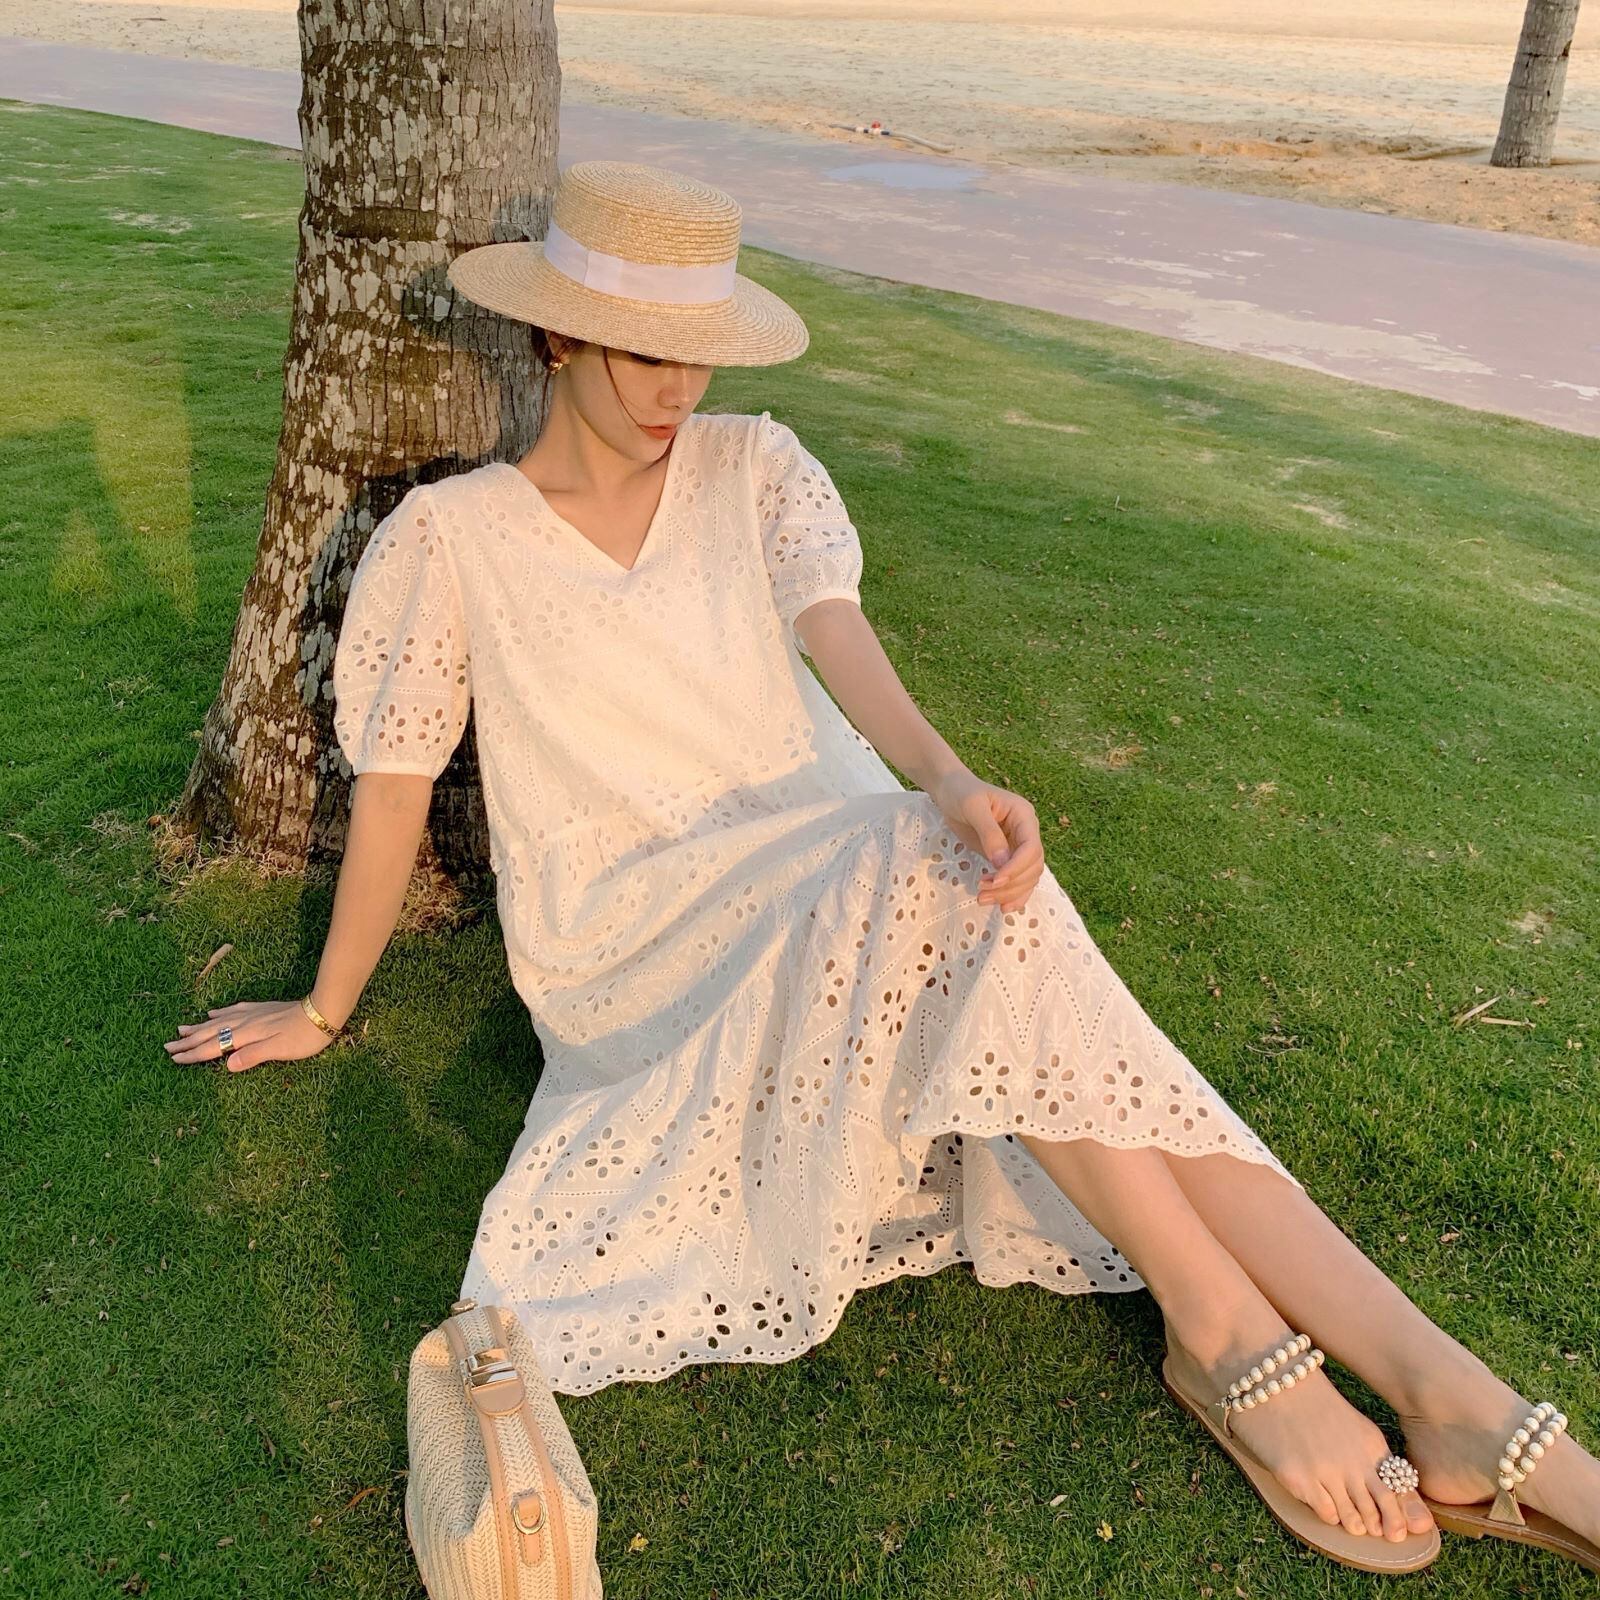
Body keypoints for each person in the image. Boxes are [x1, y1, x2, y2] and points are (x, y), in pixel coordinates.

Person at [163, 160, 1598, 1576]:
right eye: (649, 354)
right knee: (945, 884)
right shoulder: (450, 537)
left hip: (827, 850)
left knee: (984, 894)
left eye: (700, 354)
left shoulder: (755, 466)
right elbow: (398, 786)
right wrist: (327, 1007)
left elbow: (838, 639)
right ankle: (1240, 1342)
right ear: (557, 337)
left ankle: (1438, 1386)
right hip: (635, 933)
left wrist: (951, 780)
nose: (680, 390)